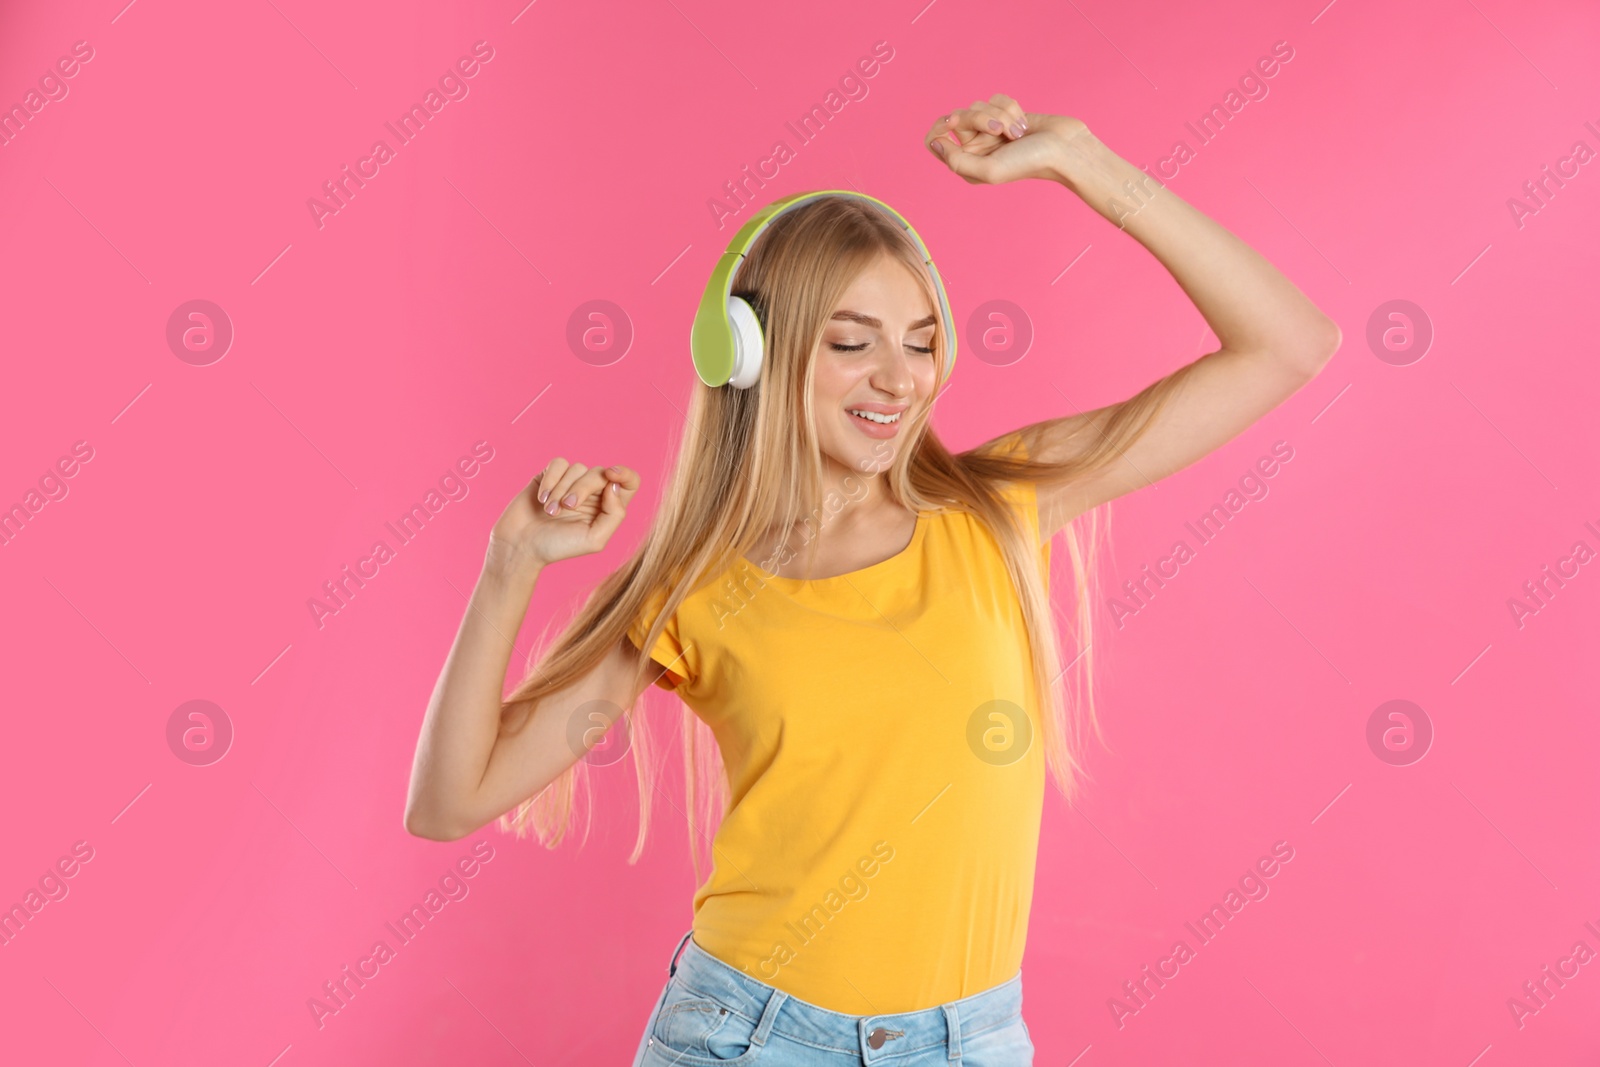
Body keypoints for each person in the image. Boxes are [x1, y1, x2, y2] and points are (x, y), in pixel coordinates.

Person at [403, 93, 1340, 1066]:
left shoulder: (998, 507)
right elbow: (449, 801)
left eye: (921, 337)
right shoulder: (689, 586)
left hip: (969, 1041)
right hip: (744, 1035)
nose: (898, 377)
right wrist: (510, 565)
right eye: (852, 341)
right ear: (750, 353)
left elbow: (1288, 343)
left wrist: (1082, 160)